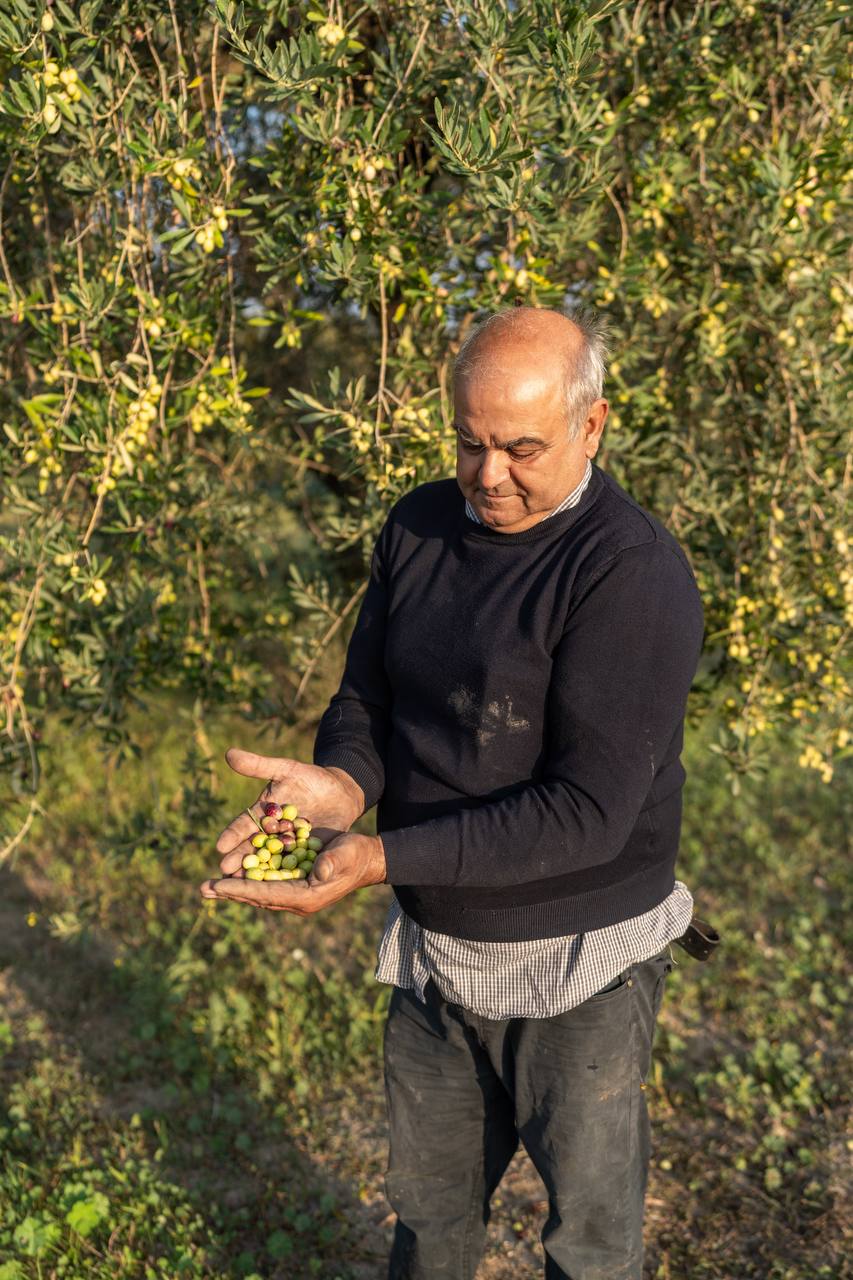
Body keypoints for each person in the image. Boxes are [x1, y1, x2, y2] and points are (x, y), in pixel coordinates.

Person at [201, 305, 706, 1280]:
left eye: (521, 448)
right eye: (468, 444)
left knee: (590, 1244)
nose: (488, 476)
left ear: (590, 426)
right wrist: (343, 783)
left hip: (580, 968)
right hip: (437, 960)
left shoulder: (628, 573)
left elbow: (587, 812)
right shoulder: (418, 526)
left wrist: (382, 857)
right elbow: (370, 695)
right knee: (428, 1228)